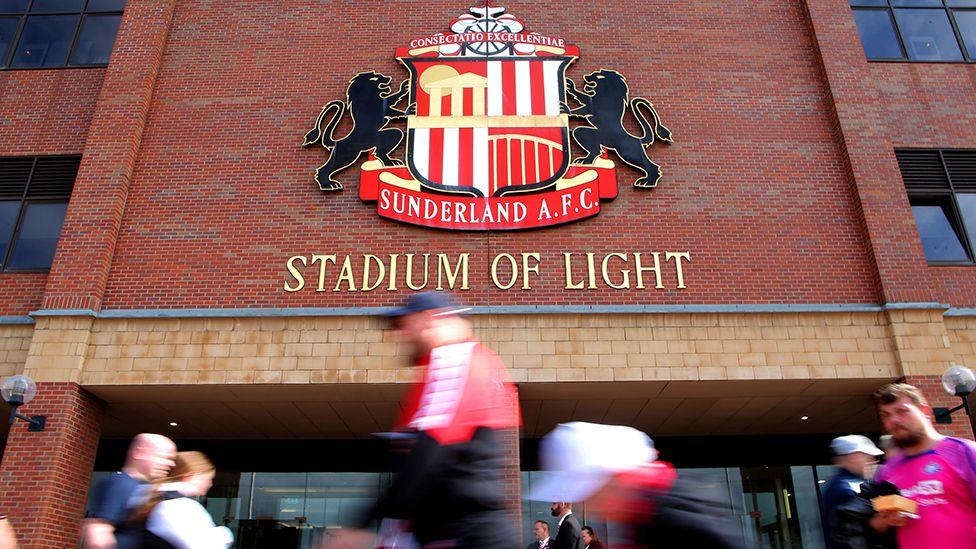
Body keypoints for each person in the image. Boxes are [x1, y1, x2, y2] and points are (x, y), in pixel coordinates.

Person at [331, 292, 521, 548]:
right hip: (455, 533)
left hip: (467, 536)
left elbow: (429, 453)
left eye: (403, 324)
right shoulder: (456, 364)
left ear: (428, 319)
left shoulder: (455, 359)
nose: (399, 334)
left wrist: (361, 524)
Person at [529, 422, 743, 549]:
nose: (589, 503)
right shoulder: (643, 515)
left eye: (587, 491)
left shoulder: (676, 520)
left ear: (610, 481)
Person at [869, 383, 976, 549]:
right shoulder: (888, 470)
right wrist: (886, 519)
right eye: (886, 415)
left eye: (902, 411)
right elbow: (875, 525)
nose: (894, 420)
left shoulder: (963, 451)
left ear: (925, 411)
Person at [84, 433, 177, 549]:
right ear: (139, 453)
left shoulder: (147, 489)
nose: (171, 464)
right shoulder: (121, 484)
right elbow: (98, 535)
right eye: (163, 457)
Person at [135, 451, 233, 548]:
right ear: (191, 475)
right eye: (208, 479)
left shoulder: (158, 496)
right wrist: (225, 534)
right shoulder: (178, 505)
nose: (210, 484)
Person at [821, 435, 884, 548]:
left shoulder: (842, 484)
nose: (873, 461)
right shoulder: (848, 488)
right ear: (853, 457)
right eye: (868, 456)